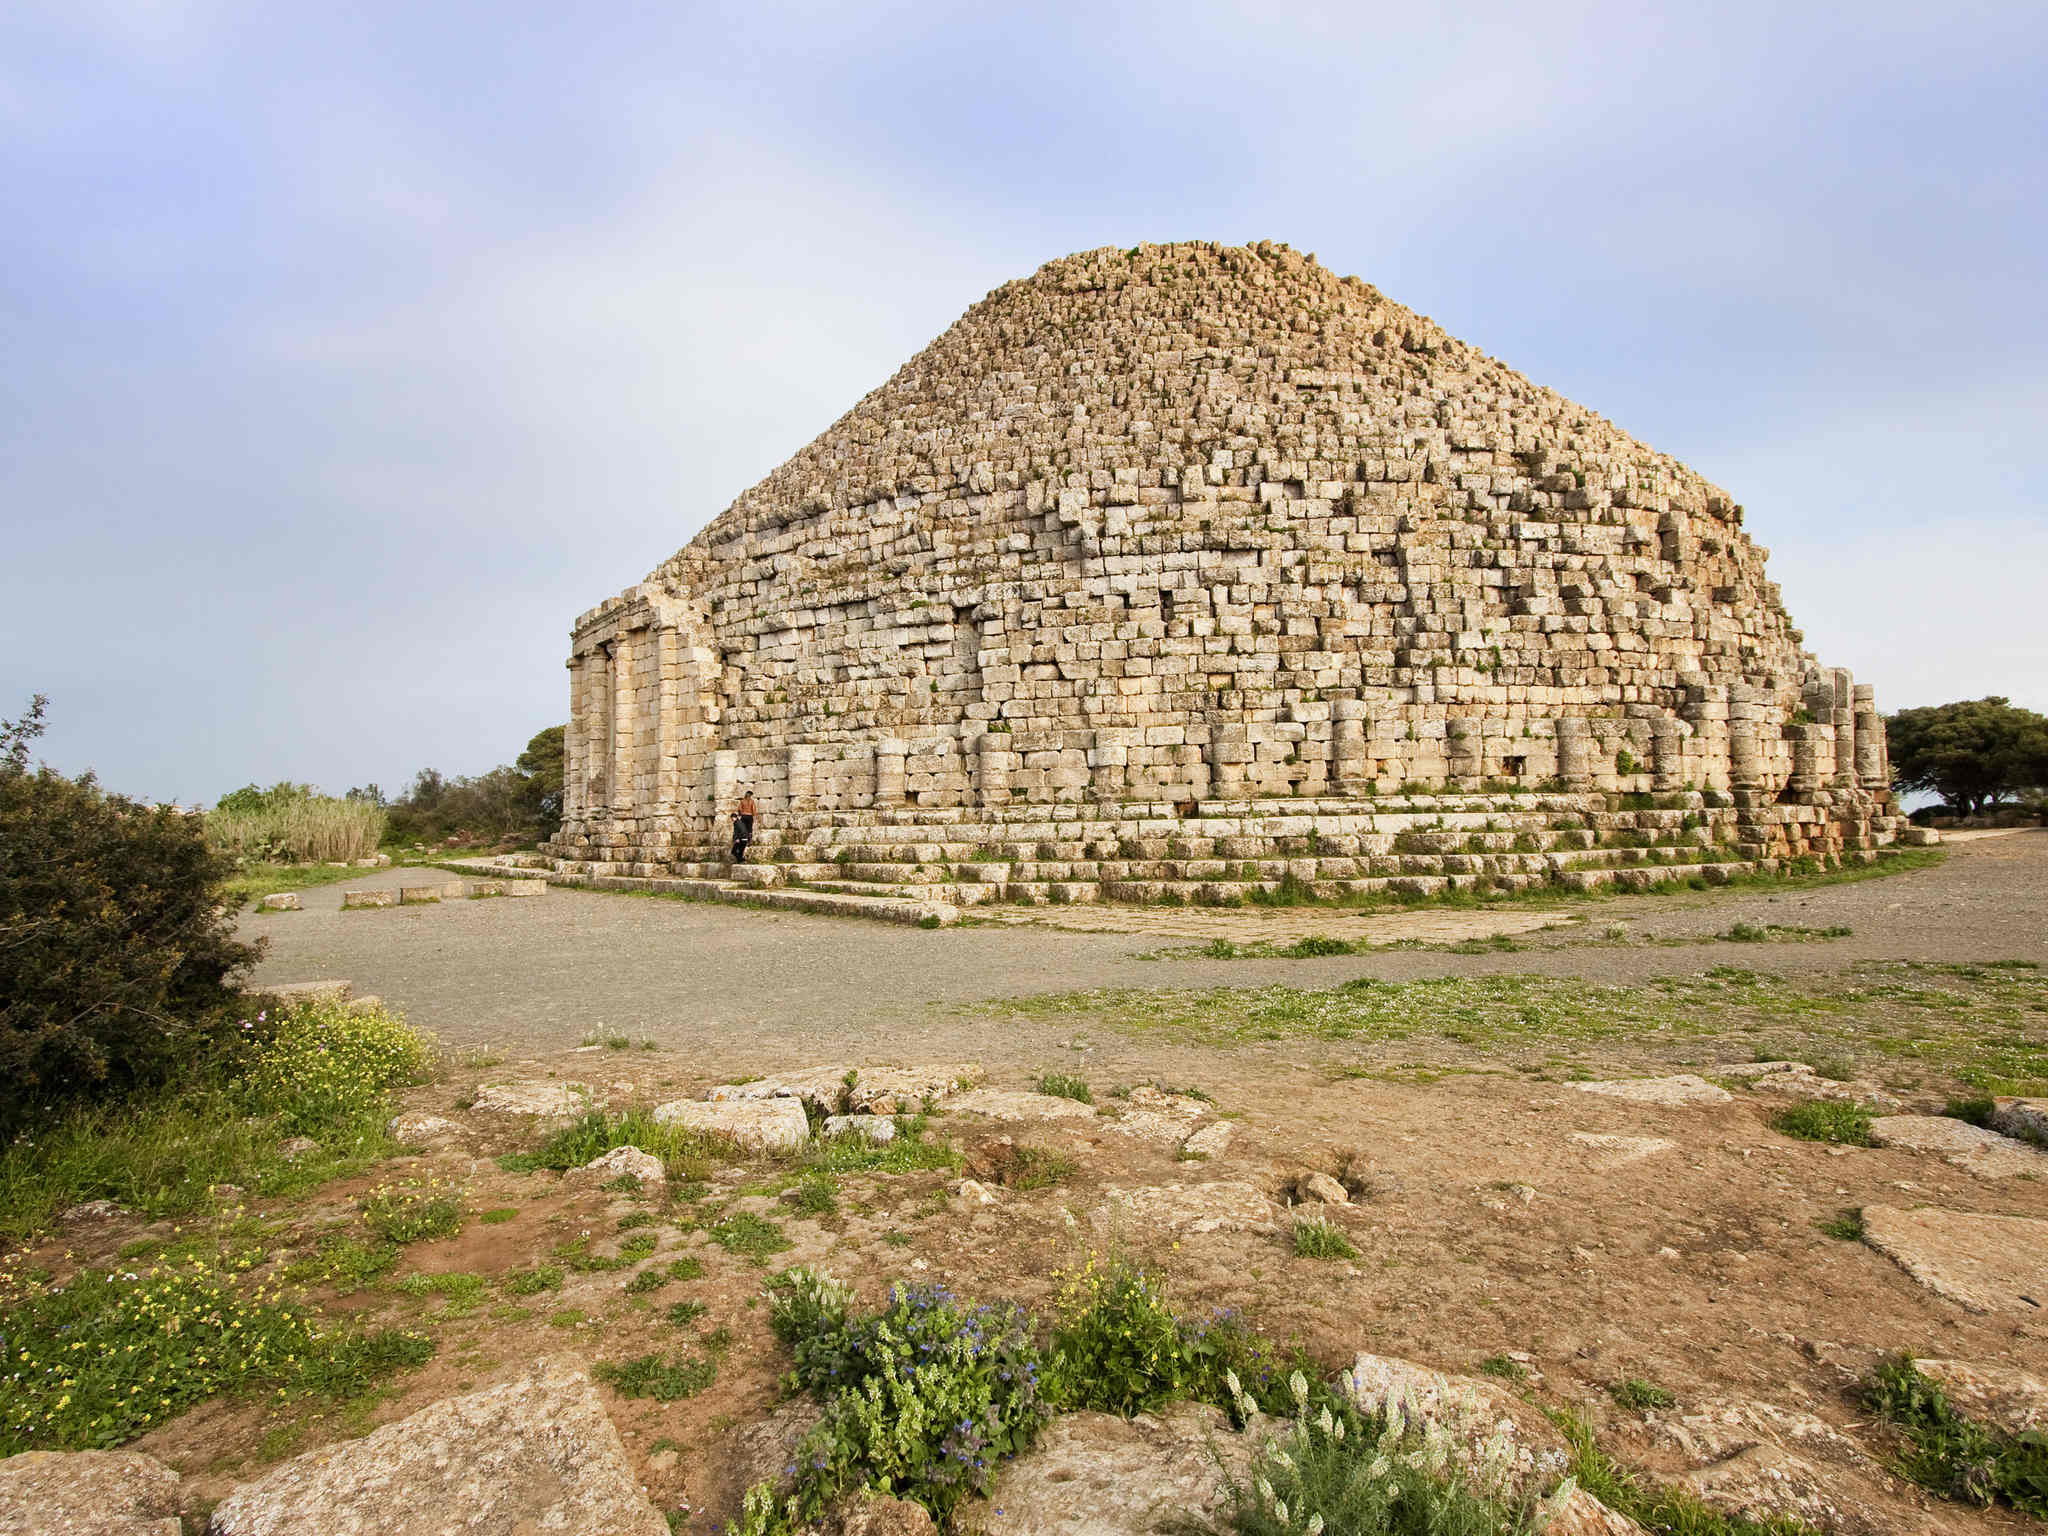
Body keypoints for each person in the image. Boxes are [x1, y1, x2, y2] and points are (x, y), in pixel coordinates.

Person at [730, 788, 757, 863]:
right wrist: (753, 815)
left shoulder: (742, 801)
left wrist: (741, 813)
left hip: (744, 815)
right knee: (749, 829)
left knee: (743, 828)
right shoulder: (752, 801)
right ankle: (749, 840)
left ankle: (743, 840)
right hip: (749, 816)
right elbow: (754, 810)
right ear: (750, 795)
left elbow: (739, 809)